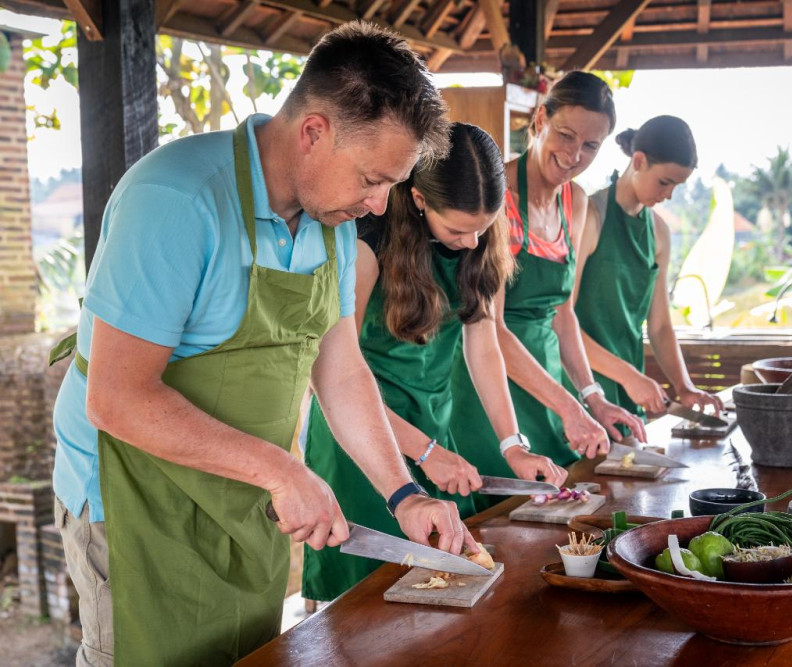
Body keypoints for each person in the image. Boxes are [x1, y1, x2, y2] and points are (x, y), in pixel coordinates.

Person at [49, 22, 476, 666]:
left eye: (390, 183)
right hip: (133, 504)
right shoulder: (175, 199)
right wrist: (280, 469)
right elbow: (115, 398)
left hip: (240, 498)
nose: (380, 206)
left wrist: (403, 493)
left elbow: (339, 369)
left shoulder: (331, 217)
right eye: (371, 179)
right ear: (313, 134)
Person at [302, 122, 568, 600]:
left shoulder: (476, 241)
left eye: (483, 229)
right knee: (359, 604)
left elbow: (483, 344)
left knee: (442, 591)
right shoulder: (366, 243)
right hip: (364, 434)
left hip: (432, 428)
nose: (470, 242)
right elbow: (336, 371)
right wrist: (422, 450)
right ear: (420, 198)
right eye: (458, 229)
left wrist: (512, 445)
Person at [451, 72, 646, 486]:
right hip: (489, 388)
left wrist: (592, 397)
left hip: (550, 387)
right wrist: (571, 409)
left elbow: (563, 314)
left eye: (591, 145)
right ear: (541, 120)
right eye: (566, 134)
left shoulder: (575, 202)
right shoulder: (496, 198)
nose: (575, 155)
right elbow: (494, 330)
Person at [572, 116, 724, 420]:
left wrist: (684, 386)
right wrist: (628, 376)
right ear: (638, 161)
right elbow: (562, 321)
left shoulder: (659, 233)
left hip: (631, 391)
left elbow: (660, 326)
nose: (667, 195)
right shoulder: (590, 216)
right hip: (581, 388)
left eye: (676, 186)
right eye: (664, 182)